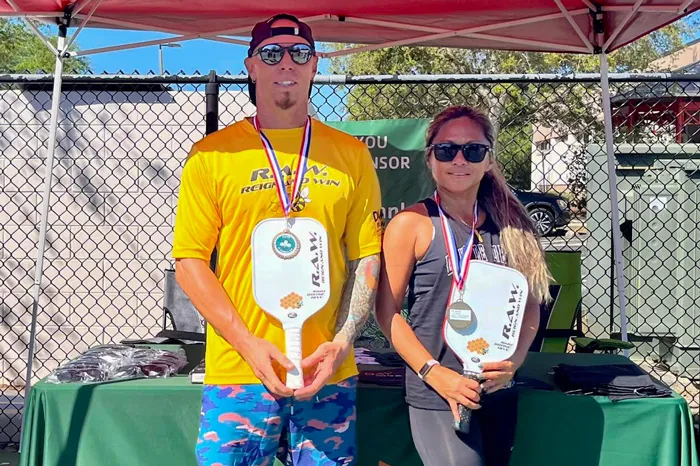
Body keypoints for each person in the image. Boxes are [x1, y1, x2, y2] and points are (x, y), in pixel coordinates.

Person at [172, 13, 382, 466]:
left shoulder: (351, 154)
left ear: (314, 65)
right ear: (251, 66)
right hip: (240, 371)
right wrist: (248, 343)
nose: (286, 61)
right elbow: (189, 262)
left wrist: (342, 343)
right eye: (271, 53)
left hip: (324, 373)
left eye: (299, 53)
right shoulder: (212, 155)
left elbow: (367, 256)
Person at [375, 105, 551, 466]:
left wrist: (514, 362)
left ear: (488, 160)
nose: (459, 160)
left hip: (496, 389)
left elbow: (530, 305)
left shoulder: (513, 226)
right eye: (446, 150)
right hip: (439, 392)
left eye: (473, 150)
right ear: (430, 159)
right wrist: (433, 373)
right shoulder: (411, 224)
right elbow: (386, 312)